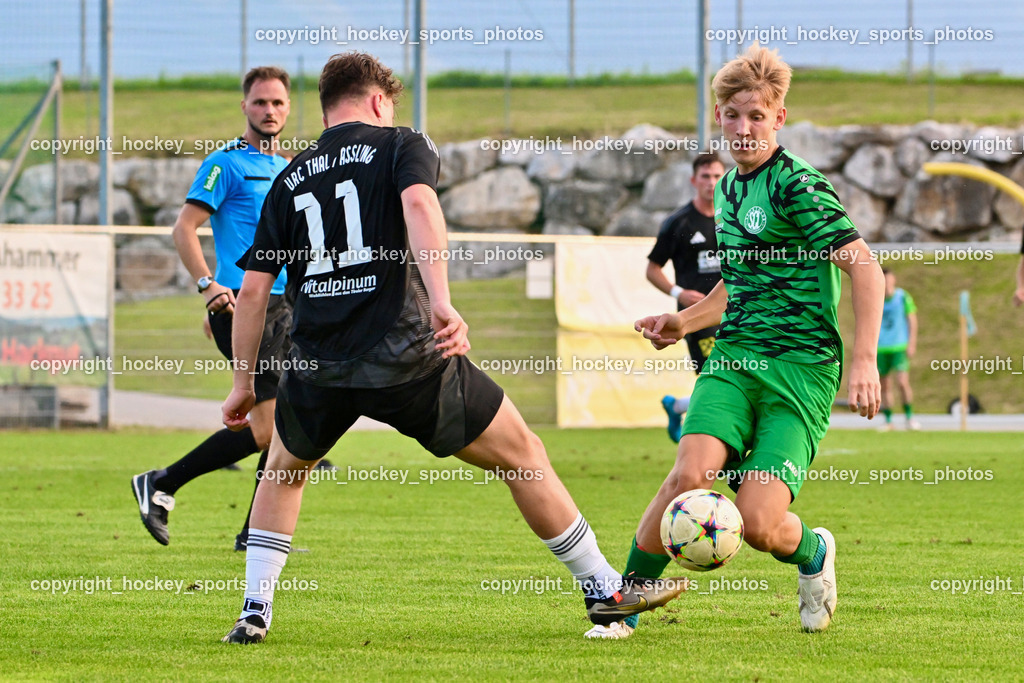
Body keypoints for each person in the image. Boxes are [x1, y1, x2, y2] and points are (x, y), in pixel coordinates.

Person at [218, 51, 684, 645]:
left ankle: (254, 611)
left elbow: (253, 290)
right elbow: (419, 205)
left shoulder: (289, 177)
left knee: (282, 474)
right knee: (524, 453)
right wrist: (442, 298)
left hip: (319, 362)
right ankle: (602, 589)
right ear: (380, 101)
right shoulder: (400, 143)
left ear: (325, 106)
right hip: (406, 352)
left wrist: (242, 383)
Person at [586, 44, 884, 640]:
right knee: (689, 475)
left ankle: (814, 555)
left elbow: (866, 268)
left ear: (777, 118)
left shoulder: (799, 186)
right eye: (732, 114)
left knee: (757, 524)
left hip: (801, 372)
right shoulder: (725, 192)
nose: (743, 128)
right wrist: (685, 323)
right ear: (718, 117)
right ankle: (624, 601)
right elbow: (737, 285)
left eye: (756, 115)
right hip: (734, 360)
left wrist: (866, 361)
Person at [131, 66, 330, 551]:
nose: (269, 111)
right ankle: (161, 483)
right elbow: (185, 228)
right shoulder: (226, 164)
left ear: (288, 109)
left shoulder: (291, 168)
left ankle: (253, 534)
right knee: (268, 429)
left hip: (287, 308)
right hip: (245, 305)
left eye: (278, 103)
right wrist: (208, 287)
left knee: (285, 426)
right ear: (245, 106)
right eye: (260, 102)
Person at [645, 153, 725, 442]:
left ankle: (678, 406)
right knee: (716, 382)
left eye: (717, 176)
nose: (712, 182)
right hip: (698, 320)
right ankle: (707, 445)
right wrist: (678, 293)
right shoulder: (678, 223)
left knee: (731, 380)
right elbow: (652, 269)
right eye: (706, 176)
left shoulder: (733, 221)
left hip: (737, 315)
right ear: (694, 180)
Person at [877, 269, 919, 431]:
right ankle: (888, 420)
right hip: (881, 347)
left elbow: (912, 320)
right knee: (885, 385)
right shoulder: (877, 297)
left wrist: (912, 343)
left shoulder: (902, 297)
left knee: (902, 382)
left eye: (889, 281)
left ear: (893, 280)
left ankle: (909, 418)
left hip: (899, 346)